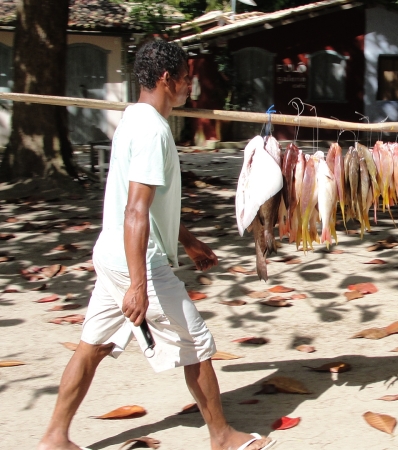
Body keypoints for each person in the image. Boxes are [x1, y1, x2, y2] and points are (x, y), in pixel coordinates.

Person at [38, 40, 274, 450]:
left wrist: (188, 240)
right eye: (186, 79)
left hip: (111, 252)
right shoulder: (152, 131)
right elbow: (135, 210)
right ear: (167, 79)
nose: (190, 88)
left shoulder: (134, 119)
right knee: (196, 343)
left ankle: (54, 438)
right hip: (136, 261)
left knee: (91, 347)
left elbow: (149, 208)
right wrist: (138, 284)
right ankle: (223, 438)